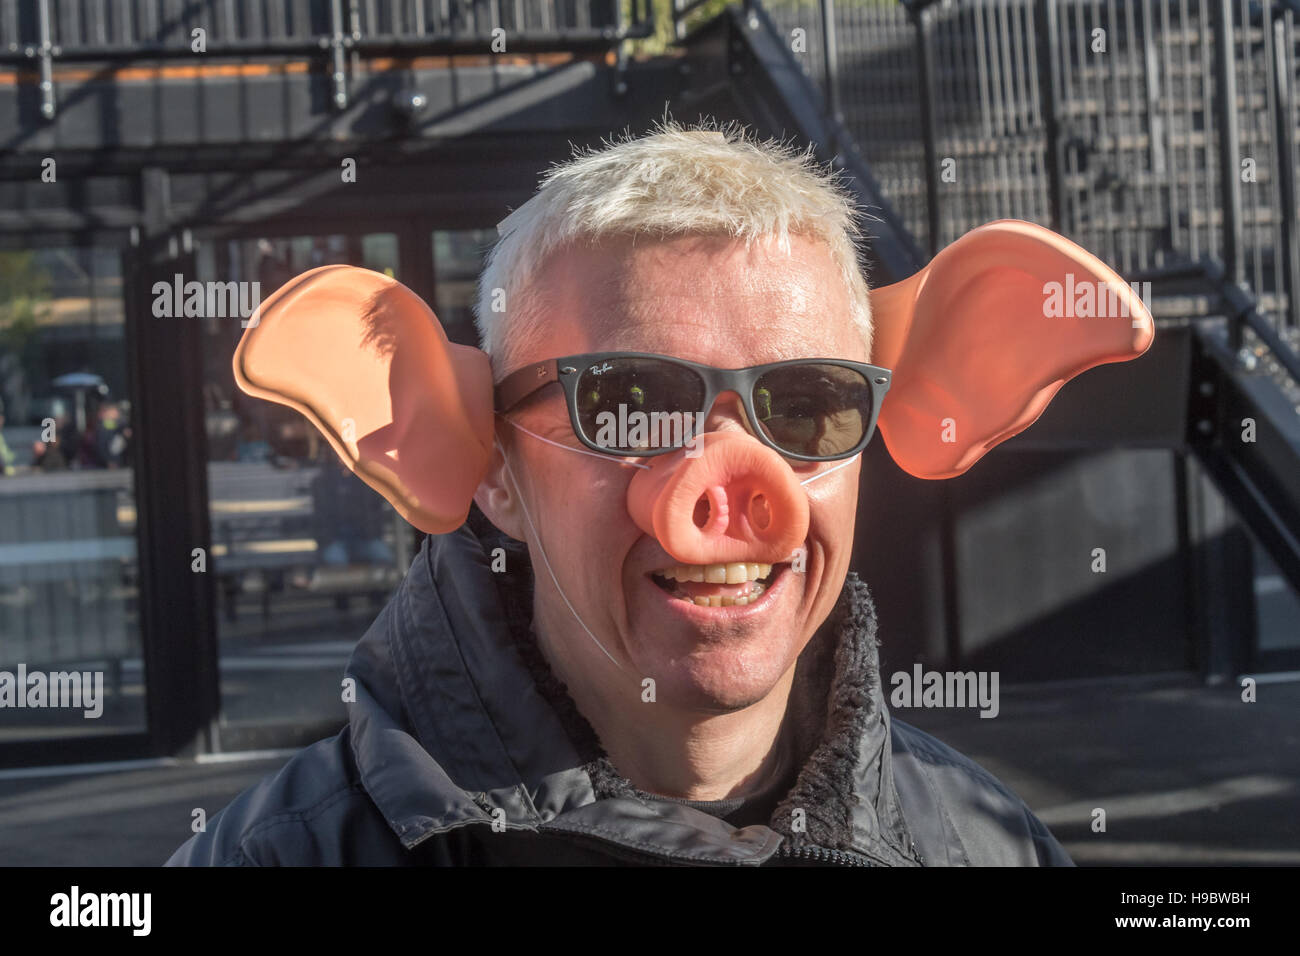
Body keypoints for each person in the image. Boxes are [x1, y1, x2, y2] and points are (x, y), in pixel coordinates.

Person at [168, 122, 1080, 867]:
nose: (732, 488)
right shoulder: (280, 857)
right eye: (630, 406)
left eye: (806, 405)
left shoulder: (985, 846)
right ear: (487, 462)